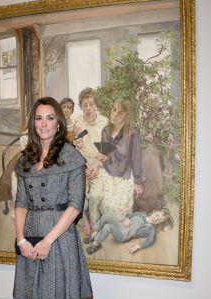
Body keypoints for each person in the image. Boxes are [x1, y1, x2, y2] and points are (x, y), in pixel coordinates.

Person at [13, 96, 93, 299]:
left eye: (49, 118)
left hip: (59, 240)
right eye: (38, 118)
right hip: (30, 237)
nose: (43, 124)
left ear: (58, 122)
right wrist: (22, 240)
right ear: (33, 123)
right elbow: (20, 203)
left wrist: (47, 241)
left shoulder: (71, 157)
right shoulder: (25, 159)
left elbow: (75, 205)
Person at [89, 99, 143, 222]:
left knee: (120, 215)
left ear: (127, 116)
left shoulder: (132, 133)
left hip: (124, 177)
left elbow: (136, 159)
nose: (115, 114)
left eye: (120, 113)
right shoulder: (105, 131)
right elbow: (103, 153)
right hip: (107, 174)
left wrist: (138, 182)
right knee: (105, 207)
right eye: (114, 110)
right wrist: (98, 160)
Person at [72, 87, 107, 233]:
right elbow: (78, 145)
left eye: (91, 104)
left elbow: (105, 149)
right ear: (80, 106)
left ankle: (95, 221)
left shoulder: (104, 122)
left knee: (97, 194)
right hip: (82, 161)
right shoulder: (78, 122)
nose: (88, 108)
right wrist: (84, 164)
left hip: (99, 162)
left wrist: (96, 166)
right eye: (84, 105)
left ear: (95, 105)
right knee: (79, 192)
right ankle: (84, 219)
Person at [84, 208, 173, 254]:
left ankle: (96, 244)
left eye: (159, 220)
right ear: (154, 211)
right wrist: (127, 218)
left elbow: (150, 241)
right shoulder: (142, 214)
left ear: (159, 223)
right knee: (106, 216)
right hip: (121, 225)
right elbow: (130, 214)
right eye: (157, 215)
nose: (156, 219)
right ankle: (93, 236)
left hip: (123, 235)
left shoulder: (151, 229)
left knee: (108, 227)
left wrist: (137, 247)